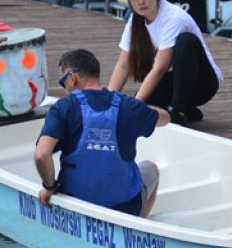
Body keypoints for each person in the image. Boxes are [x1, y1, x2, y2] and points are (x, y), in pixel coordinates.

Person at [35, 49, 169, 217]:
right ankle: (136, 225)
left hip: (76, 204)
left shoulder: (63, 108)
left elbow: (41, 154)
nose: (65, 90)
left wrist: (49, 186)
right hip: (124, 207)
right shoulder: (129, 106)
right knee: (151, 168)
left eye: (63, 83)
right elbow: (165, 118)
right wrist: (141, 109)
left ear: (72, 77)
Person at [108, 0, 223, 126]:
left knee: (185, 41)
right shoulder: (135, 21)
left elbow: (160, 68)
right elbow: (123, 65)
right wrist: (109, 103)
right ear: (129, 1)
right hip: (172, 79)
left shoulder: (173, 17)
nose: (141, 2)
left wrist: (135, 105)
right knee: (147, 100)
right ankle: (188, 110)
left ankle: (178, 111)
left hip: (201, 83)